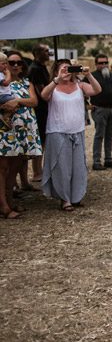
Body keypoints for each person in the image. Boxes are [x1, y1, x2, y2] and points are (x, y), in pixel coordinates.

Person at [40, 59, 101, 211]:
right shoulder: (53, 87)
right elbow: (43, 95)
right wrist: (57, 79)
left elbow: (97, 90)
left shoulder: (79, 85)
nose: (66, 72)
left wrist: (88, 75)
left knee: (78, 167)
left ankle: (76, 197)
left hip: (77, 131)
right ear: (56, 71)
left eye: (69, 69)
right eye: (63, 69)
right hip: (57, 132)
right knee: (62, 167)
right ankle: (64, 198)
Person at [0, 51, 40, 218]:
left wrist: (17, 101)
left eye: (19, 62)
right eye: (11, 62)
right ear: (4, 64)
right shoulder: (2, 83)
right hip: (5, 130)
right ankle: (3, 205)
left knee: (16, 166)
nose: (15, 65)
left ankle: (10, 200)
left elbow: (34, 101)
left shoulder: (26, 83)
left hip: (24, 132)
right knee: (3, 167)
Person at [89, 54, 112, 170]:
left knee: (110, 135)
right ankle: (96, 161)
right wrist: (88, 105)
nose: (103, 65)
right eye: (100, 63)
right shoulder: (91, 76)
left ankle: (108, 159)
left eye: (105, 63)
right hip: (99, 109)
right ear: (96, 64)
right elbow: (81, 90)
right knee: (99, 135)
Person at [27, 43, 51, 182]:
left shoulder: (41, 67)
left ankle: (39, 170)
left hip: (44, 109)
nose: (48, 53)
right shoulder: (35, 69)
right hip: (40, 110)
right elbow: (41, 91)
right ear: (37, 53)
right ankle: (37, 172)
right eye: (45, 51)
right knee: (40, 141)